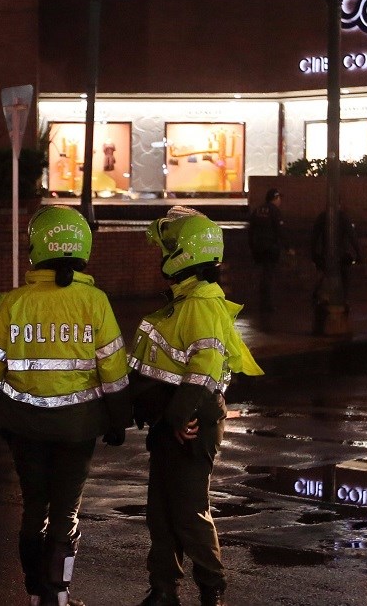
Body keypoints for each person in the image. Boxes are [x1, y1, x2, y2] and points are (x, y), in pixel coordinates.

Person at [0, 205, 132, 606]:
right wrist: (118, 421)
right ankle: (58, 597)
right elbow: (112, 370)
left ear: (35, 248)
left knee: (33, 509)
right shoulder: (94, 302)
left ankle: (34, 594)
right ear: (83, 249)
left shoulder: (14, 302)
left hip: (25, 427)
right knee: (65, 514)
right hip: (77, 430)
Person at [129, 206, 263, 606]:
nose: (162, 255)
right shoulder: (185, 301)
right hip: (172, 421)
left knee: (188, 512)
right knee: (161, 513)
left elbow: (204, 372)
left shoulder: (201, 303)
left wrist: (179, 415)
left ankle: (211, 587)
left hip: (190, 422)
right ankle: (163, 590)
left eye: (168, 247)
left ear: (185, 254)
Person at [310, 204, 362, 331]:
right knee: (344, 283)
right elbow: (352, 236)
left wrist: (315, 256)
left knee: (323, 284)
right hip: (341, 258)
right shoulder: (343, 217)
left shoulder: (322, 217)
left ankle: (325, 309)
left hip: (325, 257)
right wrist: (359, 254)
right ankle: (341, 308)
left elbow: (314, 238)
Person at [247, 187, 283, 313]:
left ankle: (261, 302)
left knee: (261, 275)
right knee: (268, 276)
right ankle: (266, 304)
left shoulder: (257, 210)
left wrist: (252, 246)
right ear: (276, 198)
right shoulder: (274, 211)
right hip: (270, 248)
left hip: (258, 248)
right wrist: (287, 247)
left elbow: (251, 230)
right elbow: (279, 231)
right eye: (279, 198)